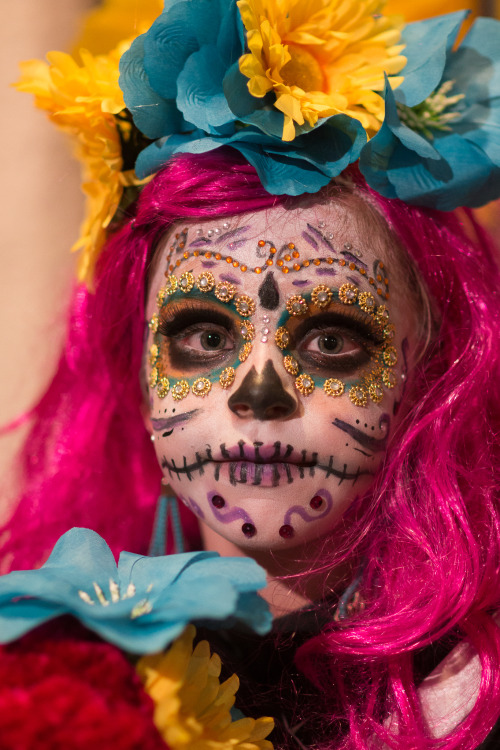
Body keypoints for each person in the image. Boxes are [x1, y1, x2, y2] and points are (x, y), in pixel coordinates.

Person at [1, 1, 500, 748]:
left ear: (426, 376)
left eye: (333, 340)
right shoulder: (49, 680)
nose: (258, 396)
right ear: (136, 379)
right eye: (203, 334)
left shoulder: (475, 696)